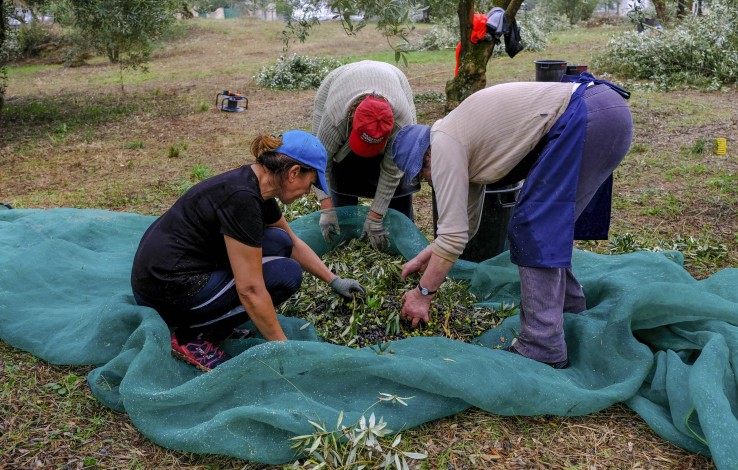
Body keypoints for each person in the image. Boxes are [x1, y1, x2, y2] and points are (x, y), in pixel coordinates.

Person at [391, 74, 633, 369]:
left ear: (425, 158)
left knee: (534, 226)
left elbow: (454, 238)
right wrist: (430, 254)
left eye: (422, 176)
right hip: (605, 113)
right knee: (547, 228)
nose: (429, 181)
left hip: (588, 118)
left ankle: (541, 344)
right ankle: (570, 310)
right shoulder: (460, 139)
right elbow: (461, 229)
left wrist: (421, 295)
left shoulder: (444, 143)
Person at [131, 130, 365, 372]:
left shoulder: (257, 185)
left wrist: (334, 280)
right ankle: (192, 337)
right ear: (294, 173)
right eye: (312, 183)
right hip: (167, 290)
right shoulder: (242, 200)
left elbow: (292, 242)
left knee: (279, 241)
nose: (309, 191)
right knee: (285, 275)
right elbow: (250, 290)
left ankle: (211, 318)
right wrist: (283, 349)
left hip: (174, 271)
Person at [312, 60, 419, 251]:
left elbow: (392, 171)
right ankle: (343, 222)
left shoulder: (403, 123)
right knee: (337, 171)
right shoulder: (335, 118)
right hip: (339, 83)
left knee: (401, 169)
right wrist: (326, 207)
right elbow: (321, 163)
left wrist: (375, 217)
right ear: (352, 117)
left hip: (394, 79)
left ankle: (399, 228)